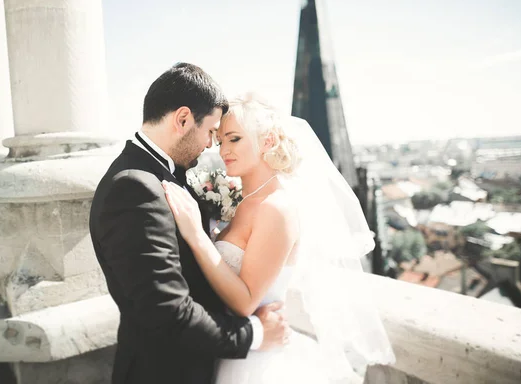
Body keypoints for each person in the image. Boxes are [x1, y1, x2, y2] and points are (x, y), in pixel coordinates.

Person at [162, 92, 396, 383]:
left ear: (268, 141)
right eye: (220, 141)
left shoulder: (277, 207)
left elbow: (245, 302)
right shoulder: (243, 201)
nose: (223, 151)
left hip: (257, 362)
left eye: (234, 139)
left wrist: (197, 235)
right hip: (230, 347)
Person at [89, 64, 290, 384]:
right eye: (211, 132)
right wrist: (254, 334)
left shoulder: (163, 175)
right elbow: (167, 312)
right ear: (183, 119)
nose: (214, 146)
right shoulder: (133, 188)